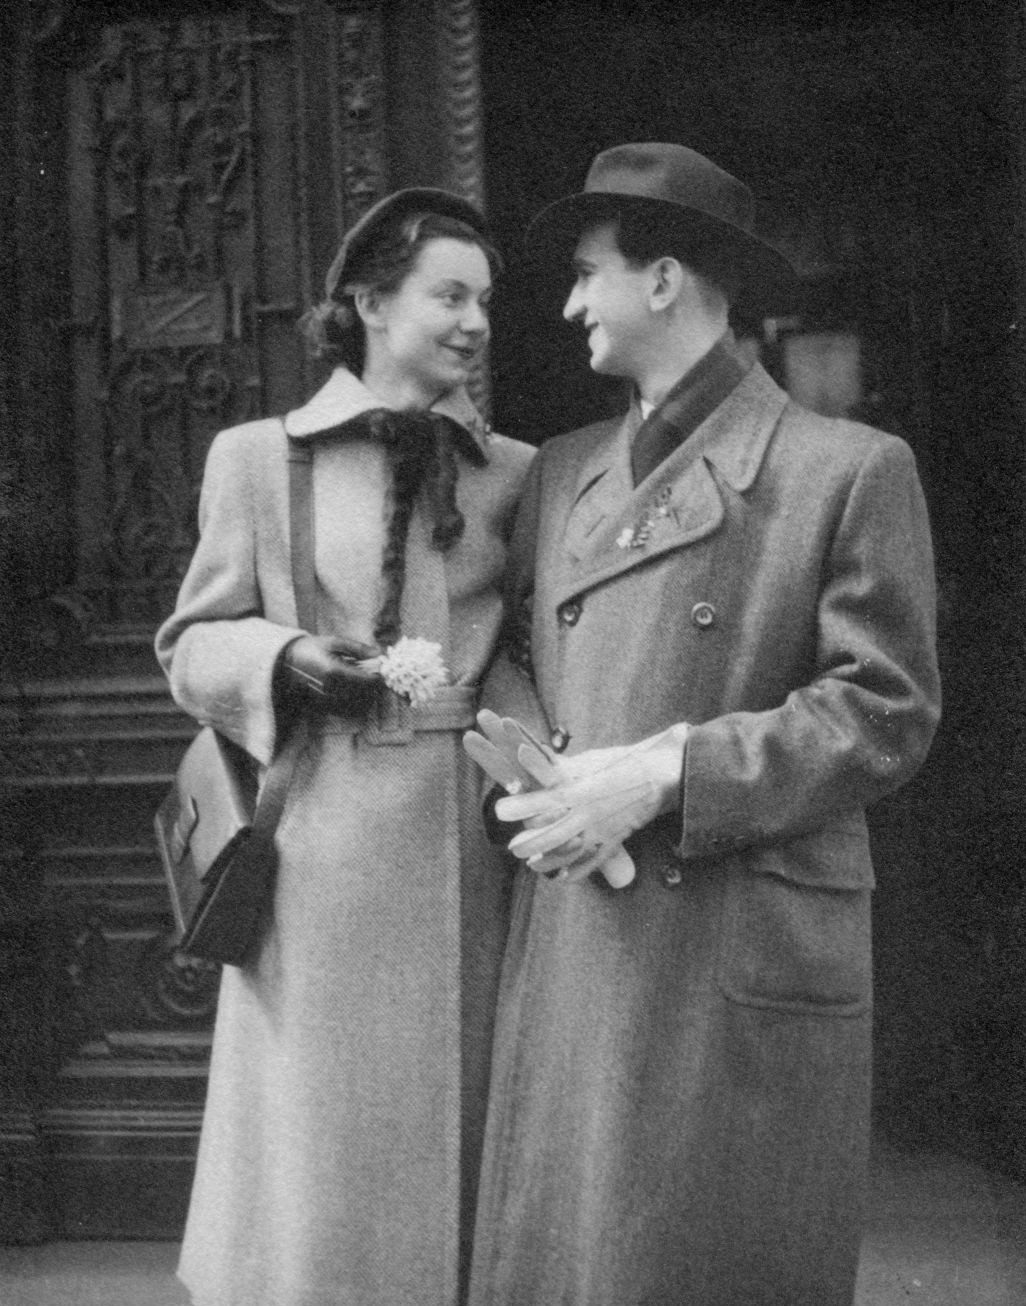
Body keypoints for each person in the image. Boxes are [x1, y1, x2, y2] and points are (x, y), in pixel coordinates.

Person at [465, 143, 941, 1306]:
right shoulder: (560, 471)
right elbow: (513, 653)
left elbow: (885, 706)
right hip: (584, 915)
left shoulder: (846, 468)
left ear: (665, 278)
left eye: (588, 274)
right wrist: (540, 779)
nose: (570, 304)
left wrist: (666, 772)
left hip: (730, 934)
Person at [155, 188, 534, 1306]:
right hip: (317, 847)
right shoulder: (257, 459)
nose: (475, 323)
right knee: (322, 1139)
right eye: (449, 296)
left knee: (470, 1117)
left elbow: (529, 643)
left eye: (486, 302)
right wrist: (284, 658)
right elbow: (190, 645)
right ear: (370, 303)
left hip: (473, 849)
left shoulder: (517, 470)